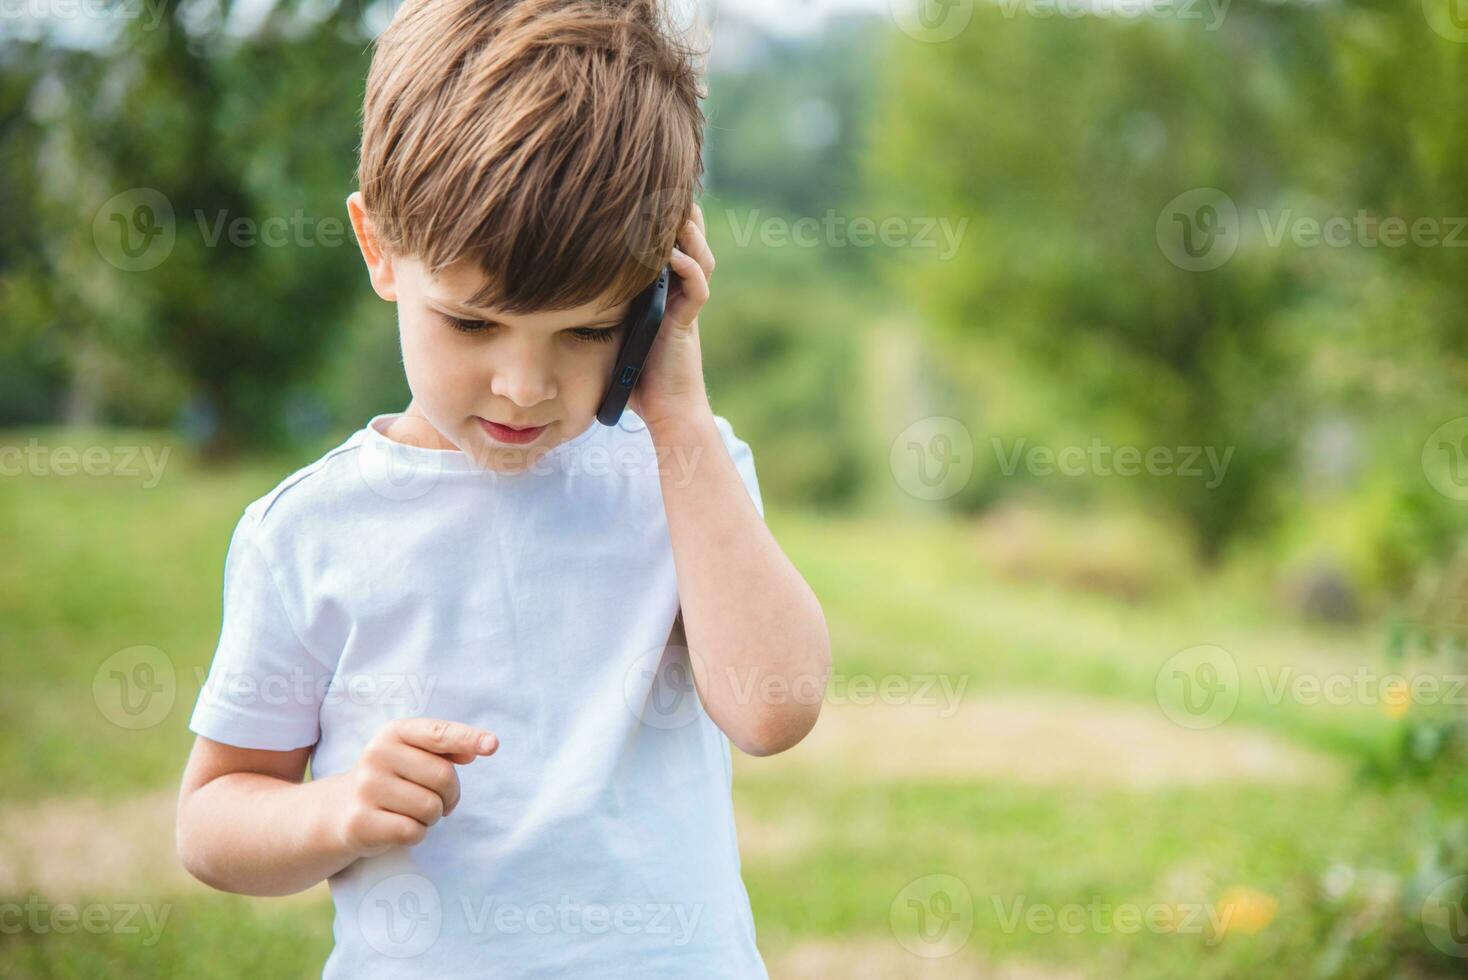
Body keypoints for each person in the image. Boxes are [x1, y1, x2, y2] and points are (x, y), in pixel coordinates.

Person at [173, 0, 831, 975]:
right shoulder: (309, 531)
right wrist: (334, 808)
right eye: (474, 325)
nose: (525, 386)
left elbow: (774, 707)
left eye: (587, 330)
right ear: (378, 246)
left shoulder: (683, 473)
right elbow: (211, 819)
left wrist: (679, 410)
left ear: (659, 291)